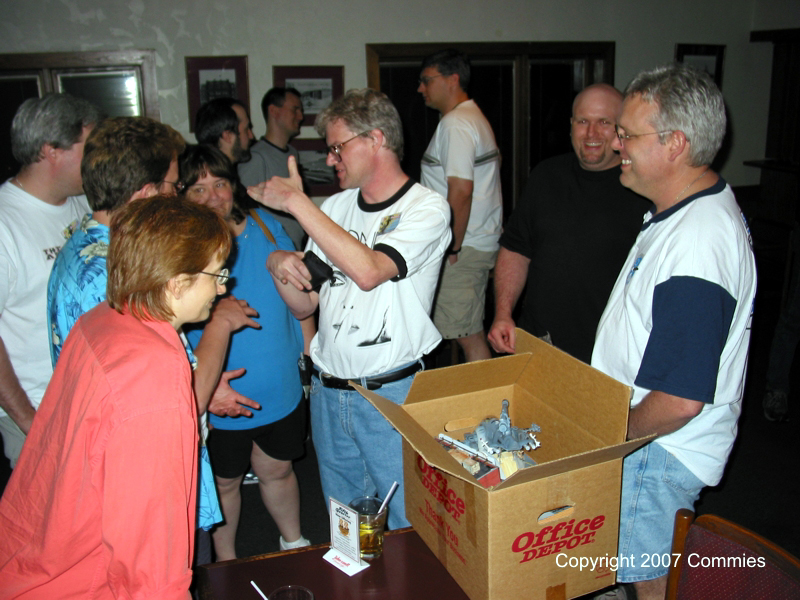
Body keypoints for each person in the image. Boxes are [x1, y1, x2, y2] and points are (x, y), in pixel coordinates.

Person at [0, 194, 232, 599]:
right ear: (177, 283)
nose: (223, 286)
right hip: (83, 581)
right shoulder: (152, 371)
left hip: (36, 554)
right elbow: (149, 546)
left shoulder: (103, 319)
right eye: (217, 274)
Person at [247, 88, 451, 529]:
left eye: (337, 147)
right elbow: (305, 304)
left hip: (390, 394)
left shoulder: (427, 208)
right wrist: (278, 266)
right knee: (347, 525)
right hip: (329, 392)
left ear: (375, 139)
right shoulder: (337, 207)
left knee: (408, 523)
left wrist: (298, 204)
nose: (330, 158)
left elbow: (370, 271)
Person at [590, 65, 757, 600]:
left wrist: (612, 440)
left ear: (675, 144)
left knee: (648, 583)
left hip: (657, 451)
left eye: (627, 134)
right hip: (649, 447)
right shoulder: (680, 214)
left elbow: (681, 399)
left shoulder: (699, 241)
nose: (616, 144)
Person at [180, 144, 310, 559]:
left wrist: (310, 360)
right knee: (224, 483)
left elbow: (301, 302)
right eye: (198, 189)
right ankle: (226, 564)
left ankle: (294, 542)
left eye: (219, 184)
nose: (213, 197)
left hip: (280, 388)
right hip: (217, 396)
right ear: (181, 195)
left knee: (278, 470)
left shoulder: (266, 226)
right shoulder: (179, 250)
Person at [488, 84, 652, 363]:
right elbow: (516, 249)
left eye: (604, 122)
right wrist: (503, 313)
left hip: (607, 356)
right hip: (538, 344)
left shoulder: (642, 190)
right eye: (582, 121)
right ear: (571, 125)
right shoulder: (546, 176)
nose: (591, 133)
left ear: (622, 130)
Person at [0, 93, 100, 467]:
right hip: (41, 410)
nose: (97, 159)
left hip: (93, 400)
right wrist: (30, 421)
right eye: (88, 147)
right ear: (52, 151)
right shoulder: (5, 222)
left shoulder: (84, 204)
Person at [418, 49, 502, 362]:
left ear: (452, 79)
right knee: (465, 331)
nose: (421, 88)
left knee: (467, 334)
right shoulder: (470, 118)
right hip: (474, 242)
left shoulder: (457, 124)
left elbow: (461, 190)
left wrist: (451, 244)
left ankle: (486, 395)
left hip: (464, 248)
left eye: (427, 80)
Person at [238, 87, 307, 250]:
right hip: (272, 252)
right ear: (274, 111)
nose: (300, 116)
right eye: (295, 109)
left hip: (295, 248)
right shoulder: (255, 157)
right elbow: (244, 213)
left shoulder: (292, 153)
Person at [195, 97, 255, 165]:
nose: (251, 136)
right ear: (227, 136)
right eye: (246, 129)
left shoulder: (205, 168)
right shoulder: (213, 171)